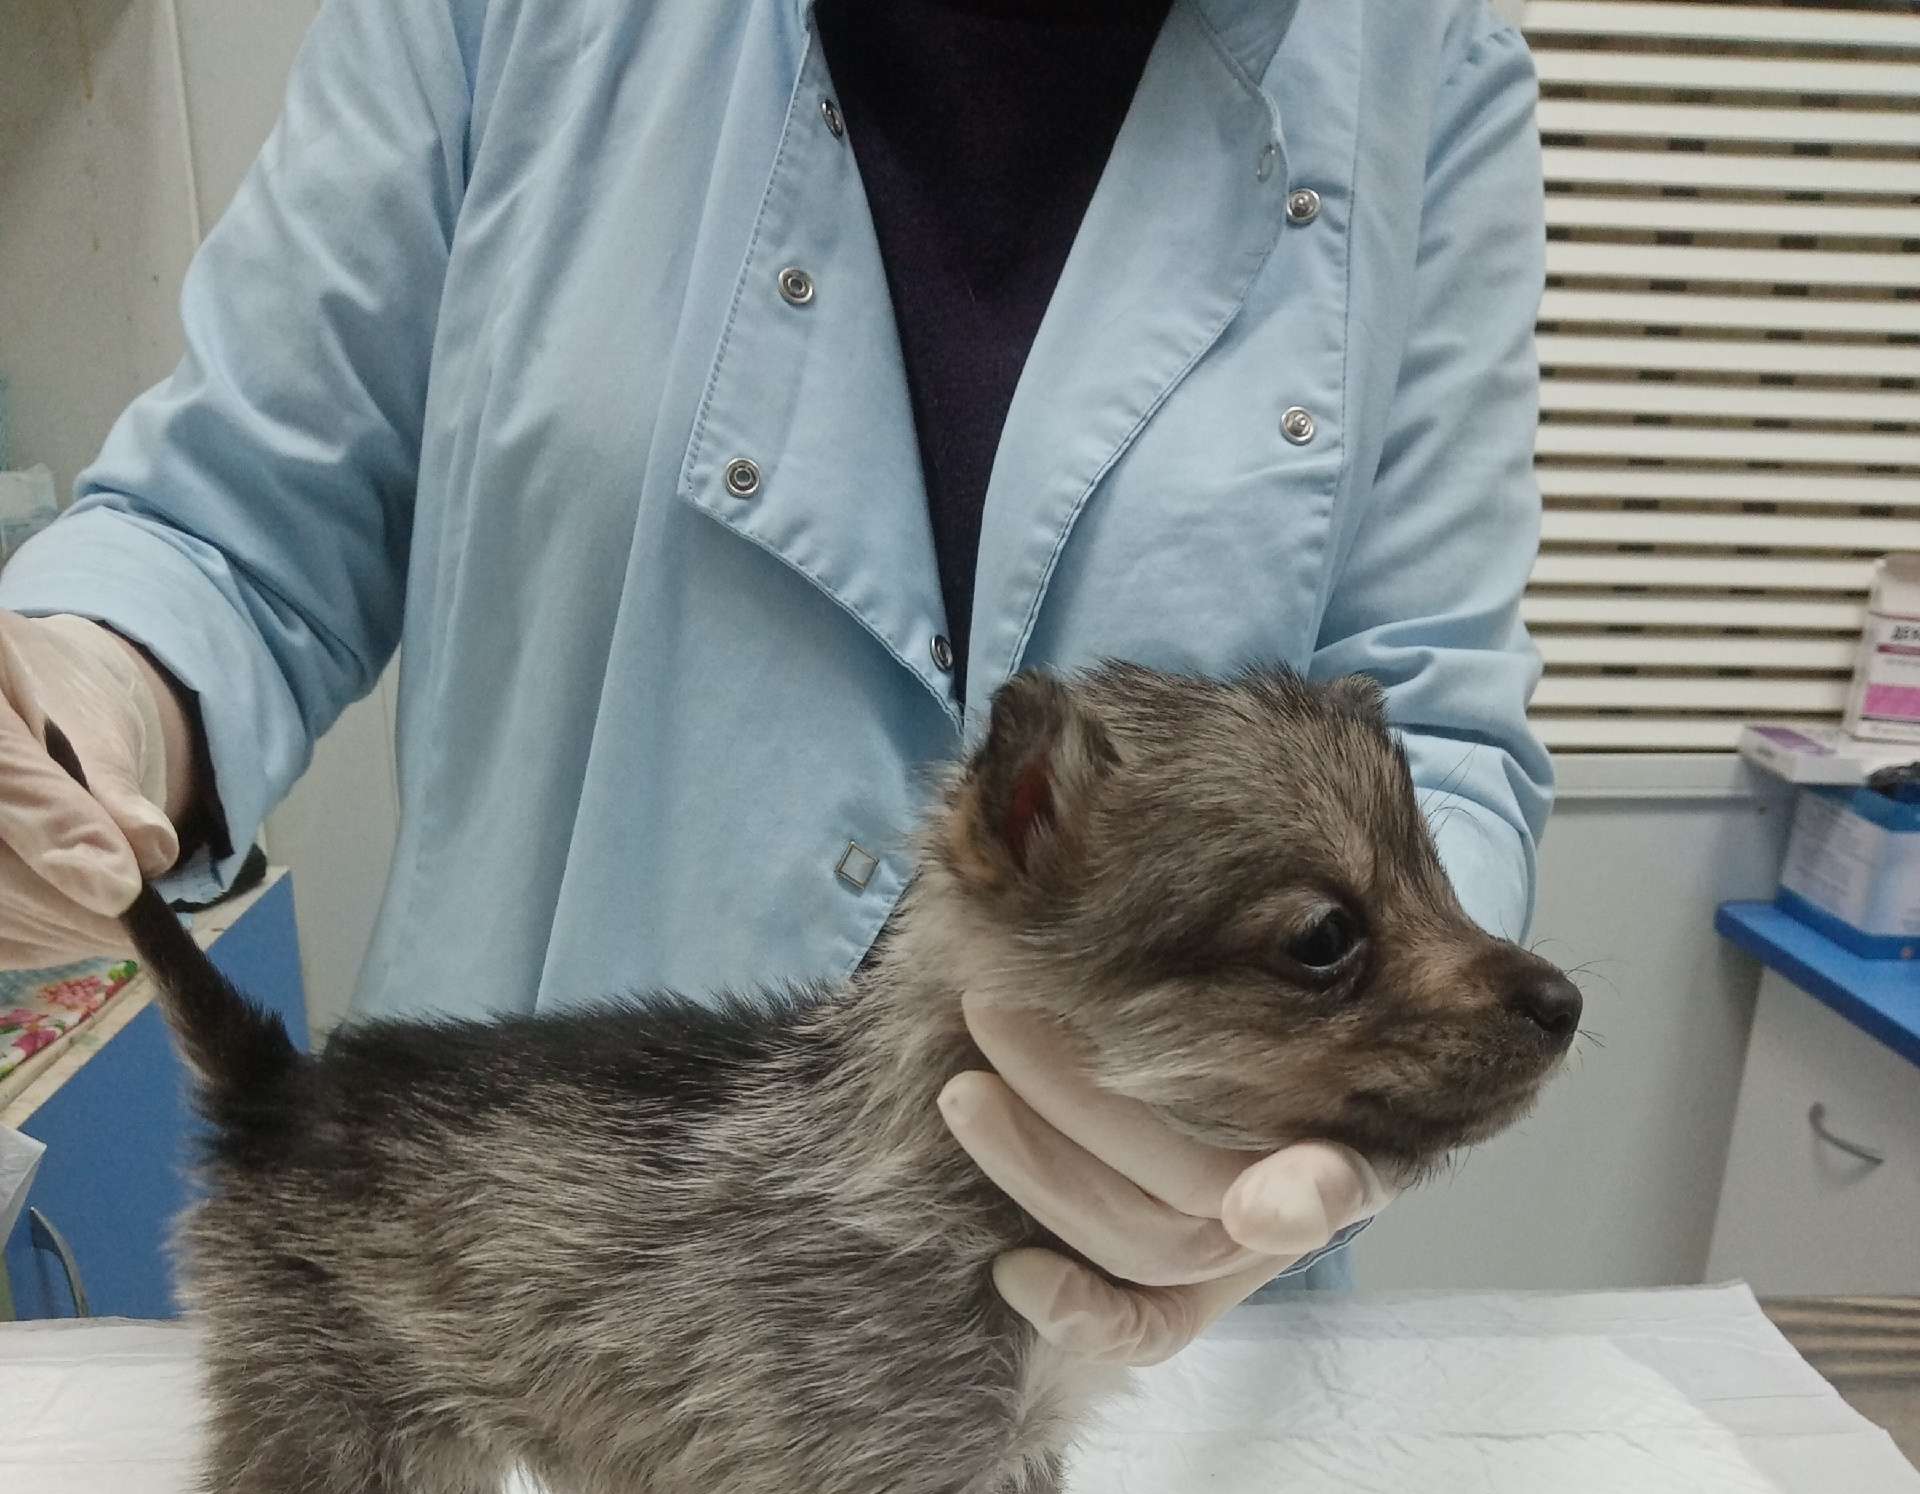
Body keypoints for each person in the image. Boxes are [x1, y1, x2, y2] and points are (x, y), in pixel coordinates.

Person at [0, 0, 1550, 1359]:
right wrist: (86, 699)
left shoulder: (1425, 67)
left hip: (1144, 1360)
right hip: (532, 1278)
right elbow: (233, 531)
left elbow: (1430, 723)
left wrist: (1346, 1094)